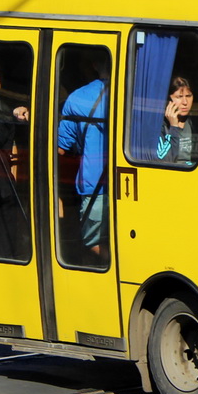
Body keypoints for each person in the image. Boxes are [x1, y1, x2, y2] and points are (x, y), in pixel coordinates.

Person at [57, 53, 111, 260]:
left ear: (95, 64)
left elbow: (61, 147)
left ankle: (115, 264)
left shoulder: (77, 98)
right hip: (130, 183)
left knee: (91, 241)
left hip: (93, 183)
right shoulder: (137, 93)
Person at [0, 54, 31, 260]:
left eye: (0, 70)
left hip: (4, 186)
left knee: (9, 243)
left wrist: (20, 116)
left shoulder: (5, 104)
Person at [157, 76, 198, 166]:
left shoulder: (196, 123)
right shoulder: (161, 126)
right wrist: (174, 127)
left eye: (188, 96)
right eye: (179, 97)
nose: (185, 102)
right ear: (169, 100)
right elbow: (165, 160)